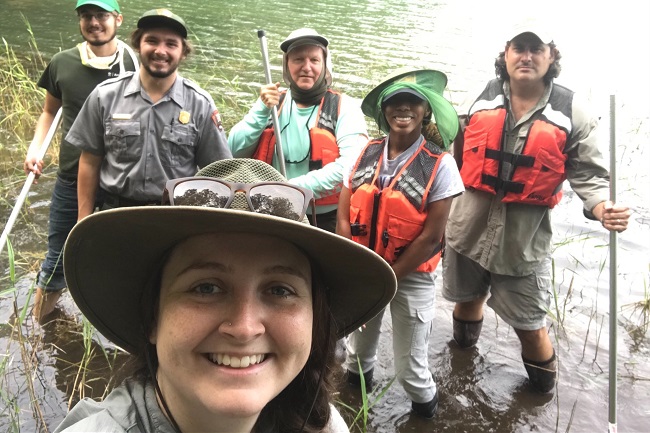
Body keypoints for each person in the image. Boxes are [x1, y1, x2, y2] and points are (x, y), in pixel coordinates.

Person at [53, 158, 397, 433]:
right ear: (152, 316)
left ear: (314, 320)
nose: (244, 328)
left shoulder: (322, 424)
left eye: (280, 290)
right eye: (206, 288)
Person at [442, 21, 631, 393]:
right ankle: (462, 368)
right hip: (467, 229)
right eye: (519, 48)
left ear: (551, 55)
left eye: (536, 49)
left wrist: (601, 206)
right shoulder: (481, 96)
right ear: (506, 53)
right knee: (466, 301)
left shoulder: (573, 110)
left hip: (522, 243)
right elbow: (453, 152)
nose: (526, 57)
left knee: (531, 325)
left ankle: (543, 395)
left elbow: (589, 176)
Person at [337, 68, 464, 419]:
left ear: (425, 111)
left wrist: (388, 276)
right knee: (357, 351)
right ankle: (351, 414)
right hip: (365, 267)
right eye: (394, 103)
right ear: (384, 111)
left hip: (409, 275)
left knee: (411, 369)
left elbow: (431, 238)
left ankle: (425, 417)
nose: (402, 109)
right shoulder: (365, 151)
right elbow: (345, 214)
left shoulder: (441, 165)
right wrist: (355, 261)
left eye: (412, 103)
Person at [25, 0, 138, 323]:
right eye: (87, 16)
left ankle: (129, 333)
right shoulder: (63, 63)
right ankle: (39, 330)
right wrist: (35, 149)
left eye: (102, 15)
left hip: (124, 181)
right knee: (58, 260)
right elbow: (50, 111)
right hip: (72, 178)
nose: (94, 22)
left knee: (130, 259)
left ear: (117, 19)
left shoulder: (137, 63)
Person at [67, 8, 231, 222]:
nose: (160, 51)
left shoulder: (201, 104)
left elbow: (218, 172)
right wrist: (83, 220)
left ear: (183, 52)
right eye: (152, 41)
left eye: (171, 44)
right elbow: (89, 162)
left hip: (175, 218)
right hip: (115, 216)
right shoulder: (104, 96)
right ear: (138, 44)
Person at [228, 28, 368, 232]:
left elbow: (353, 165)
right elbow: (233, 151)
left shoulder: (344, 107)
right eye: (298, 59)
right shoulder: (273, 102)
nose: (306, 67)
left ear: (325, 65)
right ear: (287, 65)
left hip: (323, 219)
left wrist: (291, 189)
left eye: (314, 60)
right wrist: (261, 110)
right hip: (270, 208)